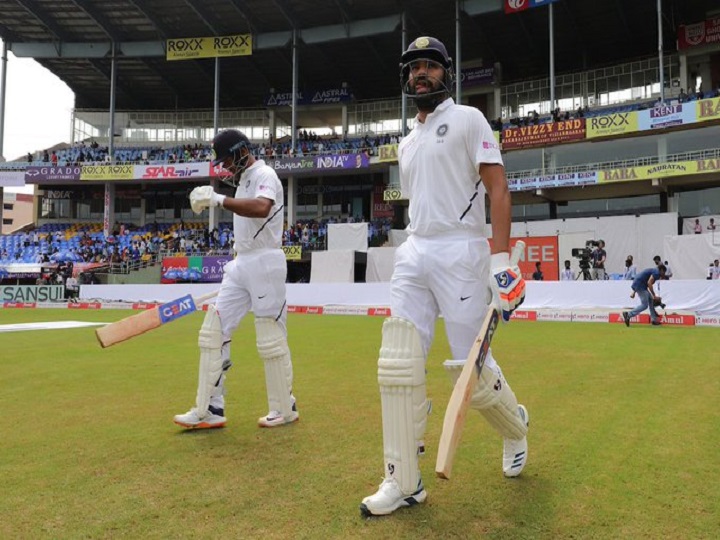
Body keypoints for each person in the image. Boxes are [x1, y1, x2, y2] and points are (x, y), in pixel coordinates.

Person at [360, 36, 528, 517]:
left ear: (445, 75)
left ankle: (515, 428)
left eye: (431, 66)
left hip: (463, 250)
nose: (422, 74)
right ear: (405, 77)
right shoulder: (407, 140)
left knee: (469, 373)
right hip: (415, 249)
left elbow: (498, 189)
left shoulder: (469, 119)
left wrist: (500, 261)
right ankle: (402, 480)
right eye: (414, 67)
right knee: (398, 360)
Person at [174, 129, 298, 430]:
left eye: (228, 160)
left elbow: (262, 207)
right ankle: (211, 408)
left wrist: (218, 199)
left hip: (266, 261)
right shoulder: (242, 181)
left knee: (270, 334)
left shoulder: (265, 173)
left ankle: (284, 406)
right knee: (213, 329)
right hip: (241, 262)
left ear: (242, 150)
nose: (226, 167)